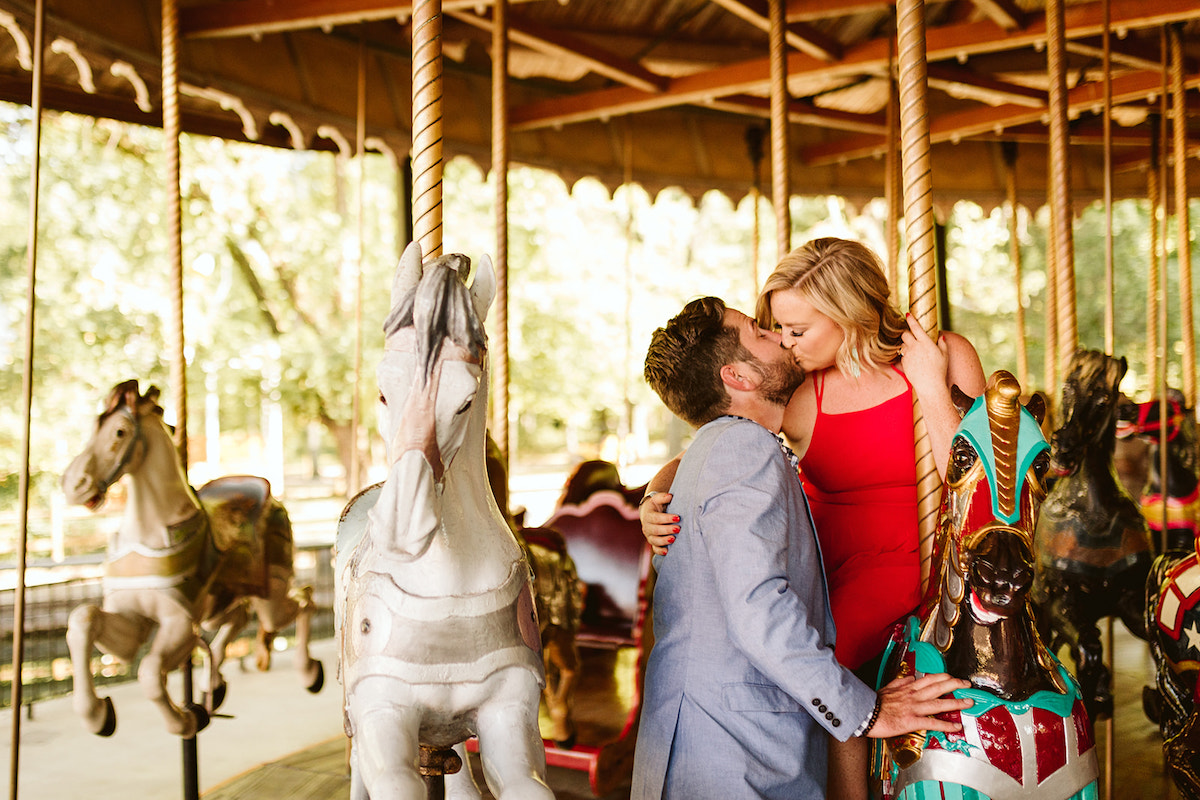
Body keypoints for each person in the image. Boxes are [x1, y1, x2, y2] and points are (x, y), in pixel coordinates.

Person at [640, 238, 986, 799]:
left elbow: (974, 481)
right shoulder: (802, 393)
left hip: (919, 547)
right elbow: (706, 451)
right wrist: (653, 499)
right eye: (775, 328)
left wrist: (928, 385)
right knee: (830, 654)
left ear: (848, 314)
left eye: (796, 330)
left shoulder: (940, 355)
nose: (783, 341)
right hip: (831, 558)